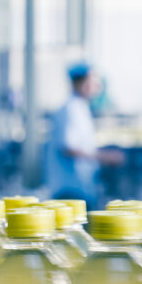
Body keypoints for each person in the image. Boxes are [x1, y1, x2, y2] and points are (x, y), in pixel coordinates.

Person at [46, 64, 121, 207]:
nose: (97, 87)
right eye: (93, 82)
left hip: (81, 187)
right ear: (83, 83)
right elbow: (69, 148)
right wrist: (105, 157)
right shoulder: (70, 109)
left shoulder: (81, 107)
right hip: (70, 190)